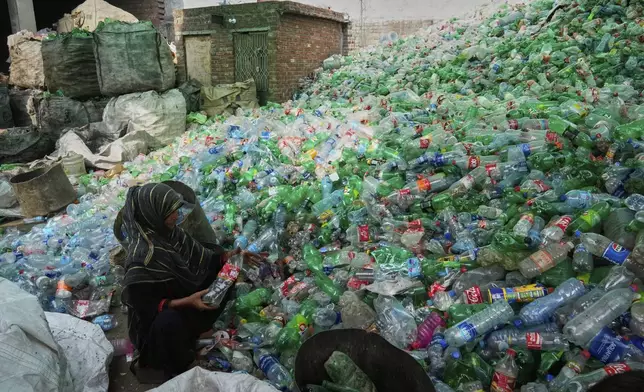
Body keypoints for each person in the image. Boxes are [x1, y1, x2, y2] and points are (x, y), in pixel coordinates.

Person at [120, 183, 264, 383]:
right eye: (170, 212)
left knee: (225, 276)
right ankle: (180, 364)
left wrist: (234, 257)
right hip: (159, 326)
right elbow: (147, 308)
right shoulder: (141, 257)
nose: (176, 216)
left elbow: (206, 259)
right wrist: (188, 301)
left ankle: (196, 331)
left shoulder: (173, 234)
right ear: (153, 213)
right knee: (169, 322)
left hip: (186, 299)